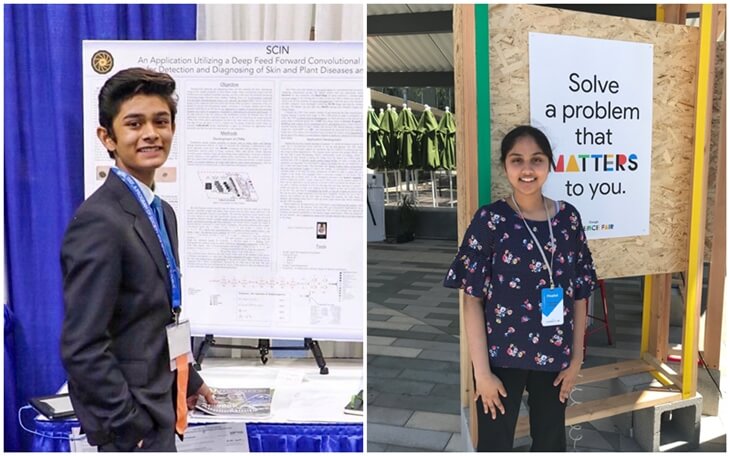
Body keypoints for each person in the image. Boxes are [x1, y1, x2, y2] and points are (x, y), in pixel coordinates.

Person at [61, 68, 215, 451]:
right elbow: (82, 345)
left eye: (160, 121)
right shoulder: (99, 220)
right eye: (134, 123)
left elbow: (159, 316)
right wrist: (129, 426)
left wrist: (188, 380)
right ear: (107, 138)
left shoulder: (161, 212)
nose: (150, 133)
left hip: (162, 404)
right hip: (134, 427)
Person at [443, 125, 597, 451]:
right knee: (495, 444)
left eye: (536, 160)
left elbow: (581, 292)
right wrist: (481, 373)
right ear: (505, 167)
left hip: (555, 358)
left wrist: (576, 359)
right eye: (517, 160)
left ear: (550, 164)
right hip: (500, 360)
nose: (527, 169)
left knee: (550, 443)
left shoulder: (568, 219)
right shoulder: (490, 220)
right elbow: (472, 301)